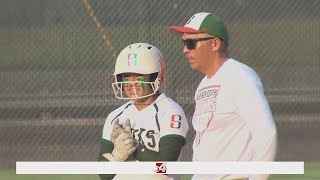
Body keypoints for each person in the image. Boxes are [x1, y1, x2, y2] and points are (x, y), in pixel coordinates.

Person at [169, 12, 277, 180]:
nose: (185, 50)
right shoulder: (204, 84)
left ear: (215, 44)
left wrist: (258, 177)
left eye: (191, 43)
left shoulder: (239, 76)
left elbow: (265, 131)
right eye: (184, 43)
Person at [98, 43, 189, 180]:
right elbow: (104, 174)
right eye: (127, 76)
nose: (131, 83)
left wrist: (135, 149)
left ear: (155, 78)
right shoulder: (115, 117)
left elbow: (165, 167)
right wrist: (117, 155)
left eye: (138, 76)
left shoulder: (170, 111)